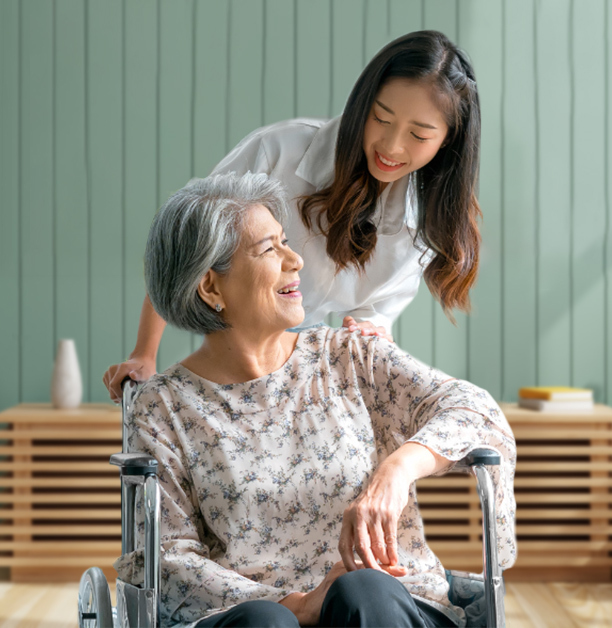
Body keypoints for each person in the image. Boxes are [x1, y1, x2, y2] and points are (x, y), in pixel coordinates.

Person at [112, 173, 515, 628]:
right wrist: (298, 604)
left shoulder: (349, 357)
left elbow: (478, 412)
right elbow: (166, 560)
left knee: (364, 590)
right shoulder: (164, 408)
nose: (296, 260)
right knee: (264, 623)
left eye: (286, 242)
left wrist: (397, 470)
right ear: (211, 287)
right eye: (269, 249)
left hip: (387, 606)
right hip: (253, 615)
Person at [104, 30, 483, 402]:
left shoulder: (424, 223)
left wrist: (372, 330)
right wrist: (144, 353)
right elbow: (186, 240)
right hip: (236, 352)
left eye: (419, 135)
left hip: (309, 375)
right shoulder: (280, 151)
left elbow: (376, 312)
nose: (392, 145)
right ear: (362, 102)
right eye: (380, 118)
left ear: (448, 138)